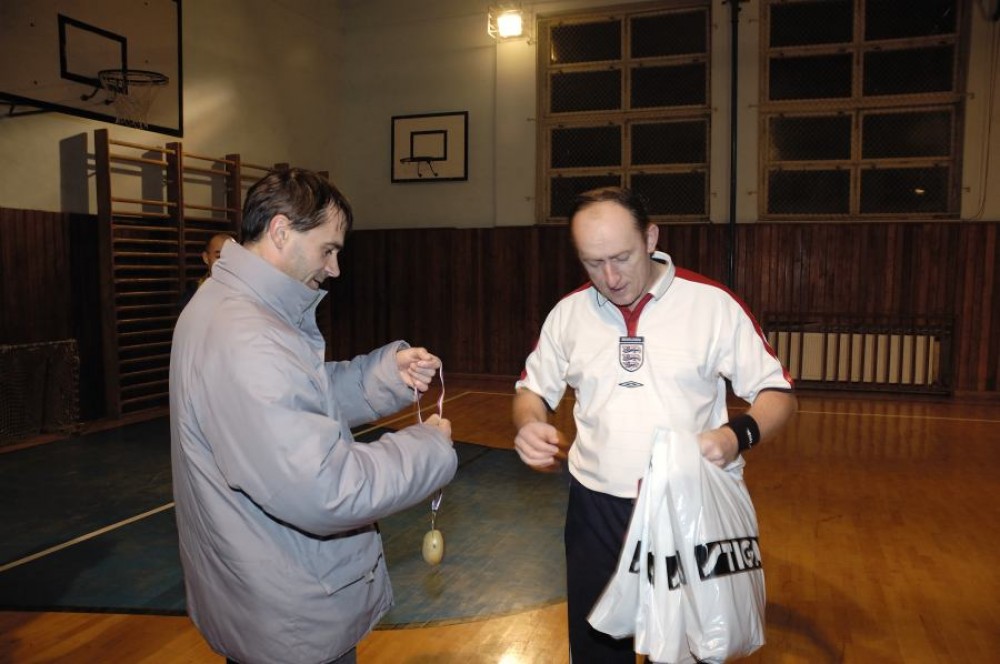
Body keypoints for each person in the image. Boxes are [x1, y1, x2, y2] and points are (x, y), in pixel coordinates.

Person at [169, 167, 457, 664]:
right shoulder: (247, 336)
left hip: (271, 598)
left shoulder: (233, 307)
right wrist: (428, 448)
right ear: (281, 231)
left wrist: (385, 375)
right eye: (328, 250)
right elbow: (326, 488)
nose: (334, 268)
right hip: (290, 614)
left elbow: (298, 394)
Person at [512, 186, 796, 663]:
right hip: (596, 509)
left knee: (689, 648)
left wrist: (735, 436)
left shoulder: (712, 305)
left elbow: (778, 393)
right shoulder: (568, 314)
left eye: (621, 257)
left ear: (650, 238)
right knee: (597, 650)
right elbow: (531, 391)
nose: (610, 277)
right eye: (592, 263)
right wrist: (528, 423)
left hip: (688, 504)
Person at [178, 232, 234, 310]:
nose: (226, 261)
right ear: (206, 258)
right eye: (219, 256)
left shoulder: (244, 289)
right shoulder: (193, 293)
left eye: (231, 256)